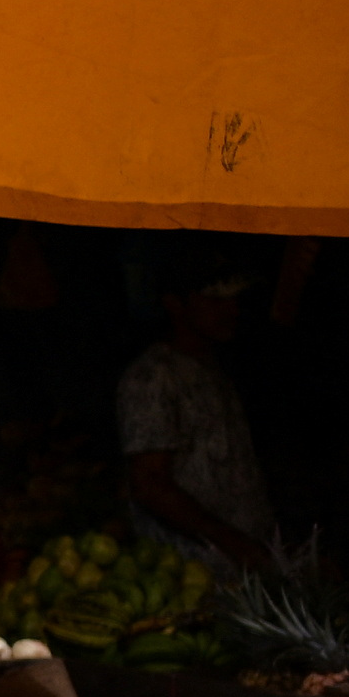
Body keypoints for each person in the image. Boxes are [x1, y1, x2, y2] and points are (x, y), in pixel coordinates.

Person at [119, 242, 276, 571]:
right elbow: (150, 484)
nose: (231, 309)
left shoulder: (215, 366)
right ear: (175, 305)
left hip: (244, 569)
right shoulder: (153, 377)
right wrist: (232, 542)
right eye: (215, 299)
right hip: (195, 572)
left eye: (233, 298)